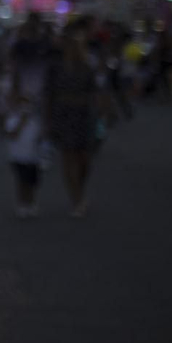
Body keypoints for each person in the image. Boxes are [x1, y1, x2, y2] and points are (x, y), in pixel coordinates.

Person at [45, 22, 101, 217]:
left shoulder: (87, 66)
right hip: (64, 116)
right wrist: (48, 120)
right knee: (68, 158)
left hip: (84, 115)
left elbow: (95, 91)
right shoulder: (56, 68)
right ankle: (76, 199)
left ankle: (80, 189)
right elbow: (49, 95)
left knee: (84, 159)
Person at [3, 92, 42, 218]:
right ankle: (21, 204)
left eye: (27, 103)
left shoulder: (35, 121)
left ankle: (31, 202)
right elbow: (12, 135)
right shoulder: (12, 119)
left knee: (32, 182)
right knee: (21, 181)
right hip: (18, 157)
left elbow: (40, 138)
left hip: (33, 157)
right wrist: (22, 121)